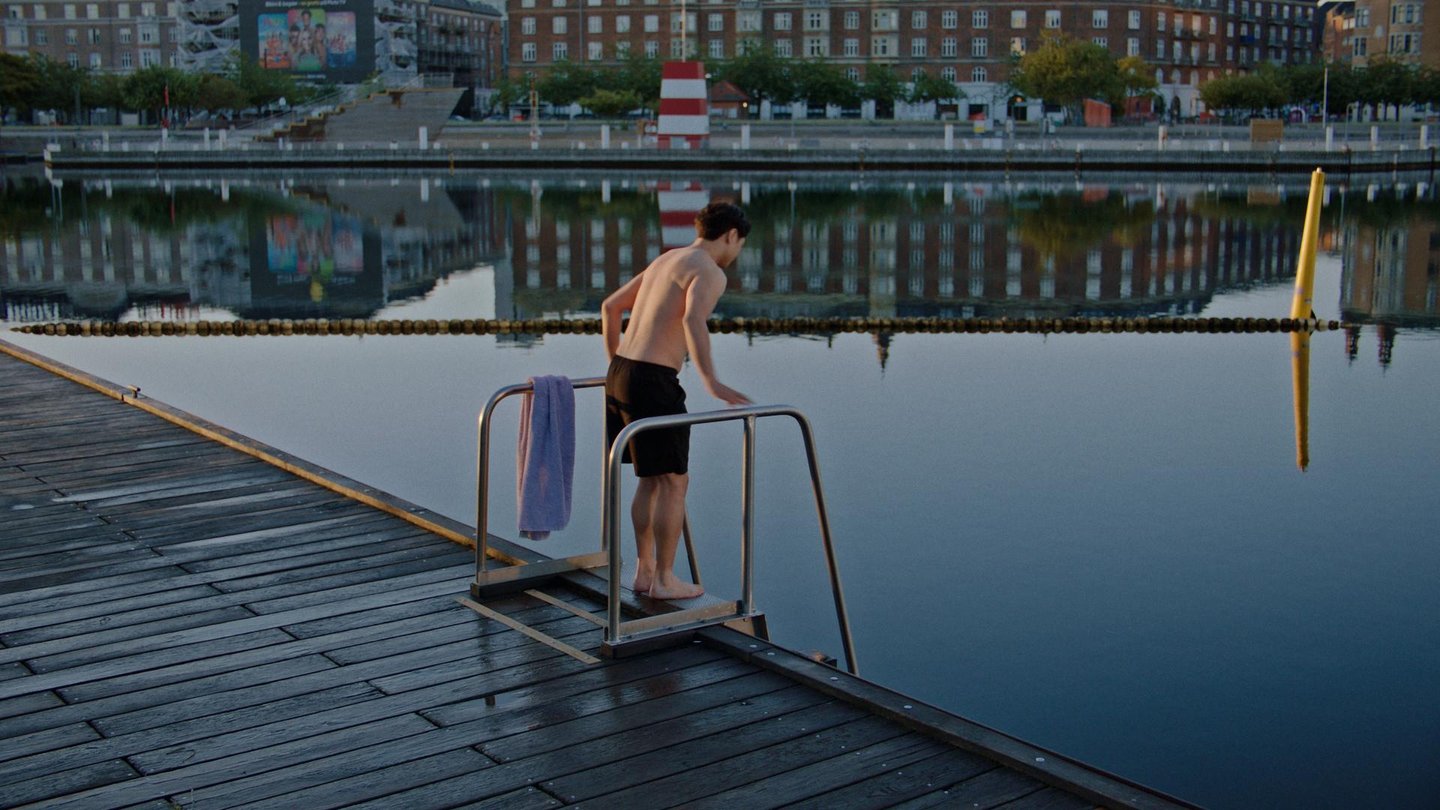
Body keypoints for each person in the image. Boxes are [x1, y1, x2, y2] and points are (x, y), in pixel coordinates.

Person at [602, 201, 752, 600]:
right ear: (731, 236)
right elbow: (692, 320)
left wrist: (619, 364)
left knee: (651, 479)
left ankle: (644, 570)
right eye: (739, 246)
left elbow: (611, 307)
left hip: (621, 372)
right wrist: (711, 381)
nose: (736, 254)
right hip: (652, 378)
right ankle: (665, 579)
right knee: (674, 480)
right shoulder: (709, 271)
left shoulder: (667, 260)